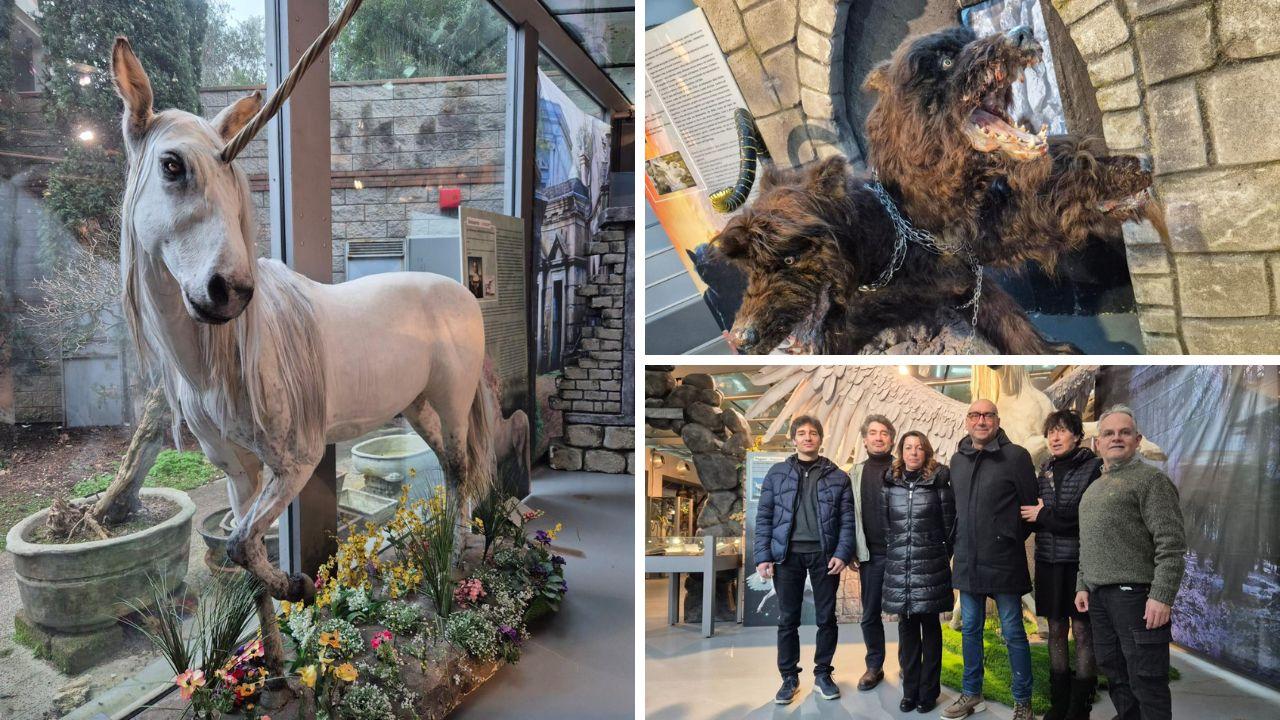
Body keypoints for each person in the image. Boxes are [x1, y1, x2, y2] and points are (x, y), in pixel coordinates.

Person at [1074, 406, 1186, 720]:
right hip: (1099, 598)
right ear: (1097, 444)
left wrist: (1162, 596)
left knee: (1146, 677)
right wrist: (1083, 584)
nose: (1116, 438)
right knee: (1114, 670)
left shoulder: (1151, 481)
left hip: (1136, 597)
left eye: (1124, 432)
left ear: (1137, 440)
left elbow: (1171, 544)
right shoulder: (1093, 489)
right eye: (1108, 433)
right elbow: (1089, 543)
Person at [942, 399, 1039, 720]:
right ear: (967, 421)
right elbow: (955, 510)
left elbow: (1030, 511)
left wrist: (1006, 537)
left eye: (987, 415)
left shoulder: (1016, 457)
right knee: (970, 629)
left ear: (997, 420)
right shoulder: (957, 460)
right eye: (975, 415)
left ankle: (1022, 701)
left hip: (1005, 561)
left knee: (1012, 631)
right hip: (968, 562)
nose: (981, 421)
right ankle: (972, 694)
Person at [753, 415, 857, 705]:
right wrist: (763, 556)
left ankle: (823, 673)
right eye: (802, 433)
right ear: (794, 438)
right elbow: (765, 518)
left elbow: (848, 521)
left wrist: (842, 552)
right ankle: (789, 677)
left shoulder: (839, 476)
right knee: (788, 619)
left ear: (820, 439)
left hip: (825, 557)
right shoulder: (776, 474)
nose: (808, 437)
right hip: (787, 556)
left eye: (813, 433)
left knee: (827, 618)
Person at [1019, 409, 1103, 720]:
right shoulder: (1044, 472)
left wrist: (1044, 516)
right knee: (1054, 630)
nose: (1055, 437)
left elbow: (1083, 520)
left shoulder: (1094, 469)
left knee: (1082, 631)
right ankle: (1059, 702)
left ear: (1078, 435)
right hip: (1048, 563)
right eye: (1051, 431)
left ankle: (1080, 706)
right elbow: (1036, 518)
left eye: (1063, 430)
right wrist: (1046, 519)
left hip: (1079, 564)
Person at [882, 431, 956, 714]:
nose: (913, 452)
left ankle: (929, 692)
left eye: (919, 448)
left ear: (927, 452)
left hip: (931, 568)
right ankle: (909, 691)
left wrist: (936, 554)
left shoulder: (939, 483)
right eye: (908, 447)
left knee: (931, 631)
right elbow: (887, 527)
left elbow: (949, 527)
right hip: (900, 568)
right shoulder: (890, 484)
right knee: (907, 633)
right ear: (901, 451)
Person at [850, 414, 896, 691]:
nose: (879, 437)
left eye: (884, 433)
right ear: (865, 439)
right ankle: (874, 666)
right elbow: (849, 514)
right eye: (873, 433)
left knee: (908, 613)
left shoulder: (903, 469)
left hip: (902, 554)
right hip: (872, 555)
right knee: (870, 614)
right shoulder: (855, 472)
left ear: (892, 438)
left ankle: (909, 665)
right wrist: (852, 549)